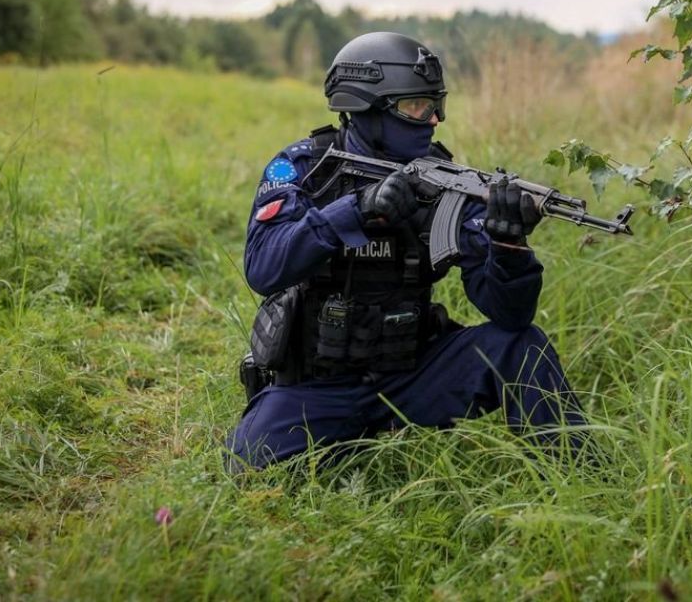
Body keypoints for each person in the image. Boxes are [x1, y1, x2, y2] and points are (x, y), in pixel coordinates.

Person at [225, 31, 587, 470]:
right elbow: (263, 268)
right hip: (317, 386)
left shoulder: (447, 183)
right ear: (366, 108)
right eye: (417, 106)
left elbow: (510, 316)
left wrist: (508, 247)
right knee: (244, 465)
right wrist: (354, 211)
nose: (434, 120)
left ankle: (580, 471)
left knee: (522, 345)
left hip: (413, 377)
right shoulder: (306, 169)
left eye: (437, 105)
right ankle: (341, 438)